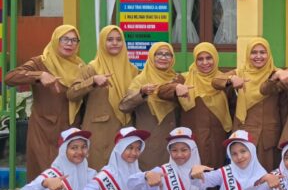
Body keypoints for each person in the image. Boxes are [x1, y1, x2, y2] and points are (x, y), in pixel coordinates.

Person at [6, 25, 84, 190]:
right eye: (64, 39)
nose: (69, 44)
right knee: (44, 181)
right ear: (55, 40)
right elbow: (10, 77)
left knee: (70, 183)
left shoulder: (80, 66)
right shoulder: (41, 62)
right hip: (44, 133)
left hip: (71, 134)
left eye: (73, 40)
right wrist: (39, 76)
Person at [69, 25, 139, 171]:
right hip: (99, 131)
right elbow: (71, 93)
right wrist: (92, 81)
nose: (115, 43)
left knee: (123, 171)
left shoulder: (132, 70)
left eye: (119, 39)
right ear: (102, 42)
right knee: (99, 172)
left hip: (125, 128)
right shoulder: (91, 68)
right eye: (110, 39)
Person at [161, 43, 233, 170]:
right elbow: (162, 91)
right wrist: (176, 87)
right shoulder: (185, 78)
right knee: (193, 176)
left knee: (215, 175)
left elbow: (233, 107)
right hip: (192, 140)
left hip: (218, 139)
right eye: (200, 59)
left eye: (209, 58)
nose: (205, 63)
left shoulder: (223, 80)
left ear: (215, 58)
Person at [221, 37, 284, 170]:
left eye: (263, 52)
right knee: (243, 176)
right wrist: (231, 79)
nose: (258, 56)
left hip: (266, 136)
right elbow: (215, 80)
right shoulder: (240, 72)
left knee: (266, 176)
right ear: (248, 54)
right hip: (244, 132)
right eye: (254, 52)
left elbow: (277, 91)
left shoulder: (276, 73)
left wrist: (275, 78)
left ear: (269, 54)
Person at [121, 42, 180, 171]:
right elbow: (124, 106)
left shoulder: (177, 79)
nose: (163, 57)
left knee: (169, 181)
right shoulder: (141, 80)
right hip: (149, 140)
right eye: (159, 54)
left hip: (172, 141)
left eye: (168, 54)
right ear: (152, 56)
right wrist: (141, 92)